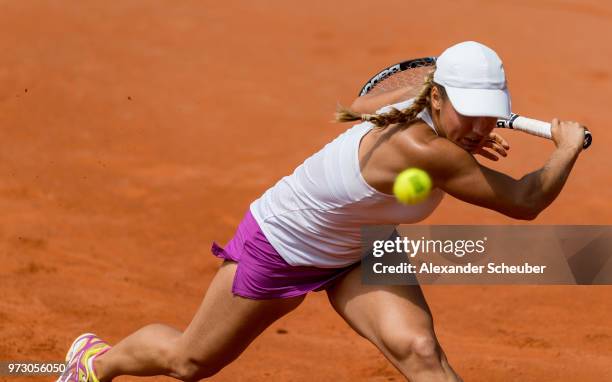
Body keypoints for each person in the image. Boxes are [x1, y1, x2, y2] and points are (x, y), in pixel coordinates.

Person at [57, 41, 587, 382]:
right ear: (439, 97)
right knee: (190, 362)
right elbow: (525, 202)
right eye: (468, 114)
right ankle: (94, 362)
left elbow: (359, 107)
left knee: (419, 349)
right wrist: (563, 148)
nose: (479, 127)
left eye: (488, 117)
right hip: (284, 245)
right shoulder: (423, 148)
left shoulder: (417, 110)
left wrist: (462, 136)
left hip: (361, 246)